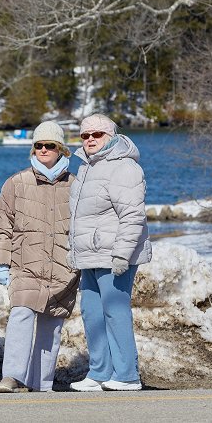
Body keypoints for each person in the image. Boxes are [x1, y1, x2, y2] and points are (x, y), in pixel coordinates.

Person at [0, 121, 80, 393]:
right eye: (38, 145)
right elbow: (0, 224)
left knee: (51, 325)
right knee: (21, 314)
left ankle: (42, 383)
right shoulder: (17, 183)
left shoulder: (75, 184)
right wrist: (0, 261)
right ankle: (11, 377)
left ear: (60, 149)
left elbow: (84, 226)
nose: (42, 149)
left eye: (49, 145)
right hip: (24, 265)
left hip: (63, 268)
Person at [68, 113, 152, 392]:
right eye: (85, 135)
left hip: (115, 255)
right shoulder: (87, 167)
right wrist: (74, 251)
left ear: (111, 136)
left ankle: (127, 374)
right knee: (92, 313)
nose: (90, 139)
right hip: (90, 255)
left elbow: (132, 215)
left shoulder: (124, 167)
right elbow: (80, 216)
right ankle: (100, 371)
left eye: (97, 134)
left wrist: (122, 255)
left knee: (115, 312)